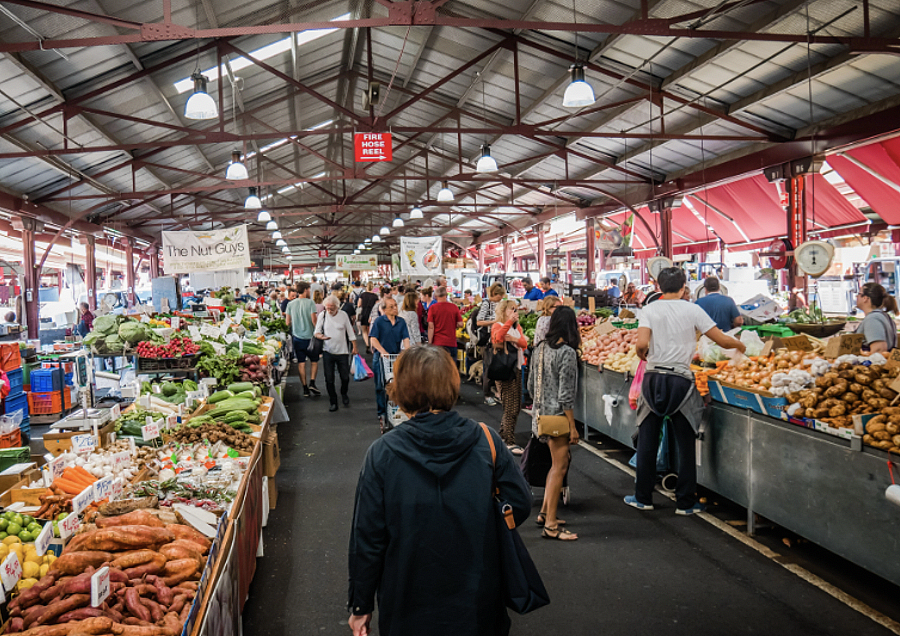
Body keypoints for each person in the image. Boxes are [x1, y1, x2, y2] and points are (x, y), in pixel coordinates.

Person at [348, 346, 531, 636]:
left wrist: (361, 605)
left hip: (407, 594)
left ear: (402, 387)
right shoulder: (487, 440)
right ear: (452, 383)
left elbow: (368, 536)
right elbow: (519, 503)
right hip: (477, 591)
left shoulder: (382, 453)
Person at [626, 267, 745, 514]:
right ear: (683, 288)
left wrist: (646, 356)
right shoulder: (693, 309)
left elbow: (641, 344)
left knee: (648, 438)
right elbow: (722, 340)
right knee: (685, 441)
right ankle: (685, 502)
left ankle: (643, 498)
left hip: (653, 379)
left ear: (658, 286)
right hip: (681, 379)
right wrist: (741, 344)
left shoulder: (649, 309)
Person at [529, 306, 581, 540]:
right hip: (557, 418)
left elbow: (530, 384)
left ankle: (544, 513)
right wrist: (572, 425)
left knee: (557, 463)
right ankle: (551, 525)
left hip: (539, 415)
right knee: (558, 467)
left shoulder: (539, 348)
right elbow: (566, 395)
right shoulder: (567, 352)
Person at [491, 298, 528, 455]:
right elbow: (498, 338)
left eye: (516, 309)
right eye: (511, 309)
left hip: (517, 368)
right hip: (505, 370)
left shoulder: (516, 326)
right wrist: (508, 325)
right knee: (510, 407)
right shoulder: (497, 325)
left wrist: (513, 338)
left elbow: (524, 343)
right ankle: (509, 441)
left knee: (514, 405)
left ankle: (502, 436)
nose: (515, 312)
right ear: (503, 311)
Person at [369, 297, 410, 428]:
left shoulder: (401, 322)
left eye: (395, 306)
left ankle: (395, 412)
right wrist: (382, 351)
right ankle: (381, 413)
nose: (395, 308)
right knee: (381, 386)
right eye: (391, 306)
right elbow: (373, 339)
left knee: (396, 386)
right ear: (385, 309)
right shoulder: (379, 321)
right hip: (381, 358)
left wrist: (407, 352)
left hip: (395, 357)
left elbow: (406, 339)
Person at [314, 295, 358, 411]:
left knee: (345, 377)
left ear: (337, 307)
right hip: (327, 351)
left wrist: (355, 347)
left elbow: (350, 332)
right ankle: (333, 401)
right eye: (327, 308)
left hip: (343, 352)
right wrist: (321, 337)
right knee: (329, 378)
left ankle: (344, 393)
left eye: (332, 308)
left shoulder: (343, 315)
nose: (329, 310)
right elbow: (316, 332)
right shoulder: (322, 316)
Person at [285, 281, 321, 398]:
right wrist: (320, 332)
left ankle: (305, 388)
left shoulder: (290, 304)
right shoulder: (310, 303)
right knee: (314, 361)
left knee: (301, 363)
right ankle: (312, 382)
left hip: (297, 338)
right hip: (311, 338)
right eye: (309, 290)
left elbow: (287, 322)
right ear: (305, 290)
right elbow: (314, 321)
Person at [477, 284, 505, 407]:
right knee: (489, 368)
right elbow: (479, 321)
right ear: (494, 293)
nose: (502, 297)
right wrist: (494, 322)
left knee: (500, 367)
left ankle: (499, 393)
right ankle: (487, 395)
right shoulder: (486, 304)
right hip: (489, 340)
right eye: (500, 294)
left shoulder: (502, 304)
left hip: (501, 339)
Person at [856, 282, 899, 353]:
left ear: (865, 298)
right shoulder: (882, 316)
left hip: (875, 363)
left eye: (859, 294)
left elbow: (879, 349)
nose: (857, 297)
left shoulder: (873, 319)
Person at [427, 286, 464, 361]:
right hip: (451, 343)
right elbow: (461, 324)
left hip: (437, 343)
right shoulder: (454, 307)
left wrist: (430, 343)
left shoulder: (433, 308)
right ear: (446, 296)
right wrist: (452, 323)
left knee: (438, 369)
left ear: (436, 296)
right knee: (451, 368)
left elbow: (431, 327)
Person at [358, 282, 379, 353]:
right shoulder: (375, 296)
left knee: (364, 331)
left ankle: (367, 344)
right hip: (372, 314)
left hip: (364, 313)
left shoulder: (363, 295)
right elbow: (377, 306)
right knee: (372, 331)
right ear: (373, 287)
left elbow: (359, 304)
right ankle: (372, 346)